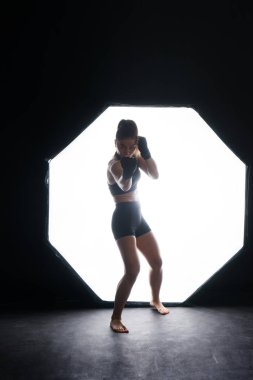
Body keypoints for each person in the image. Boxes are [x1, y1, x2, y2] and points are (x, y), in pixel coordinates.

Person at [107, 119, 169, 333]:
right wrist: (128, 167)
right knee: (133, 270)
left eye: (130, 146)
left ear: (136, 144)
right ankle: (115, 317)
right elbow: (124, 185)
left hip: (138, 217)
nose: (125, 150)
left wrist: (145, 152)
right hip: (122, 219)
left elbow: (155, 175)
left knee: (157, 262)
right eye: (122, 145)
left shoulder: (135, 155)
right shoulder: (113, 164)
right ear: (115, 142)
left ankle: (155, 300)